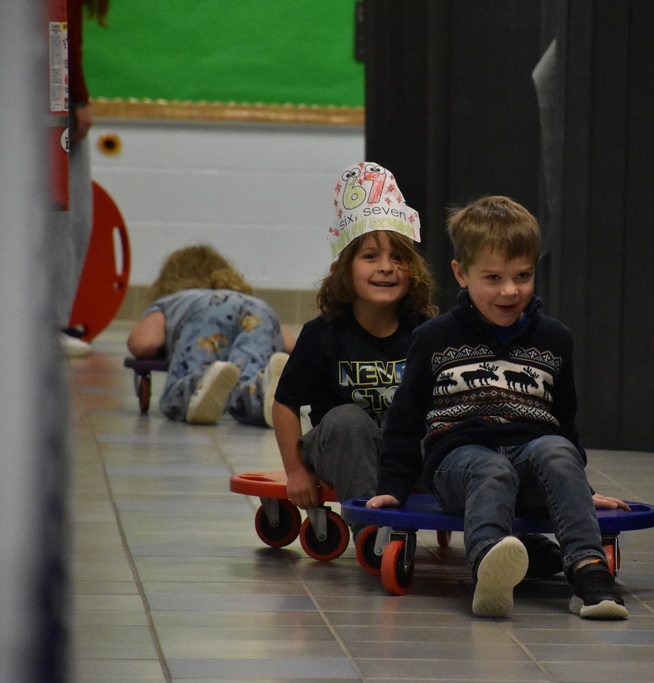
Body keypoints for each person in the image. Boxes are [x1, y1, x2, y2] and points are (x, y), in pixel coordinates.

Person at [366, 196, 631, 619]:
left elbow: (565, 422)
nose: (510, 291)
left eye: (522, 276)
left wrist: (580, 488)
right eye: (493, 278)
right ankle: (491, 564)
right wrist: (394, 486)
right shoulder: (434, 338)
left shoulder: (555, 339)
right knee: (492, 468)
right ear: (461, 274)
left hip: (532, 459)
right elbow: (405, 417)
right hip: (459, 462)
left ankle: (589, 571)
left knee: (556, 450)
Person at [270, 162, 436, 542]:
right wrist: (295, 471)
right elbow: (284, 404)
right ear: (344, 269)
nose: (387, 268)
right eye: (371, 257)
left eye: (399, 258)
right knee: (348, 419)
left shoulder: (425, 331)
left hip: (403, 452)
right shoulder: (322, 335)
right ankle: (373, 532)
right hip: (338, 448)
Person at [126, 245, 296, 426]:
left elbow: (146, 344)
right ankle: (261, 391)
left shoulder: (174, 301)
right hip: (260, 311)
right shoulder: (245, 299)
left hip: (206, 313)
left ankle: (200, 384)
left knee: (186, 380)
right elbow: (290, 346)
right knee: (251, 374)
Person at [58, 0, 110, 357]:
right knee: (67, 215)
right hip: (55, 102)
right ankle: (51, 322)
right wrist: (78, 98)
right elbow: (63, 33)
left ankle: (49, 321)